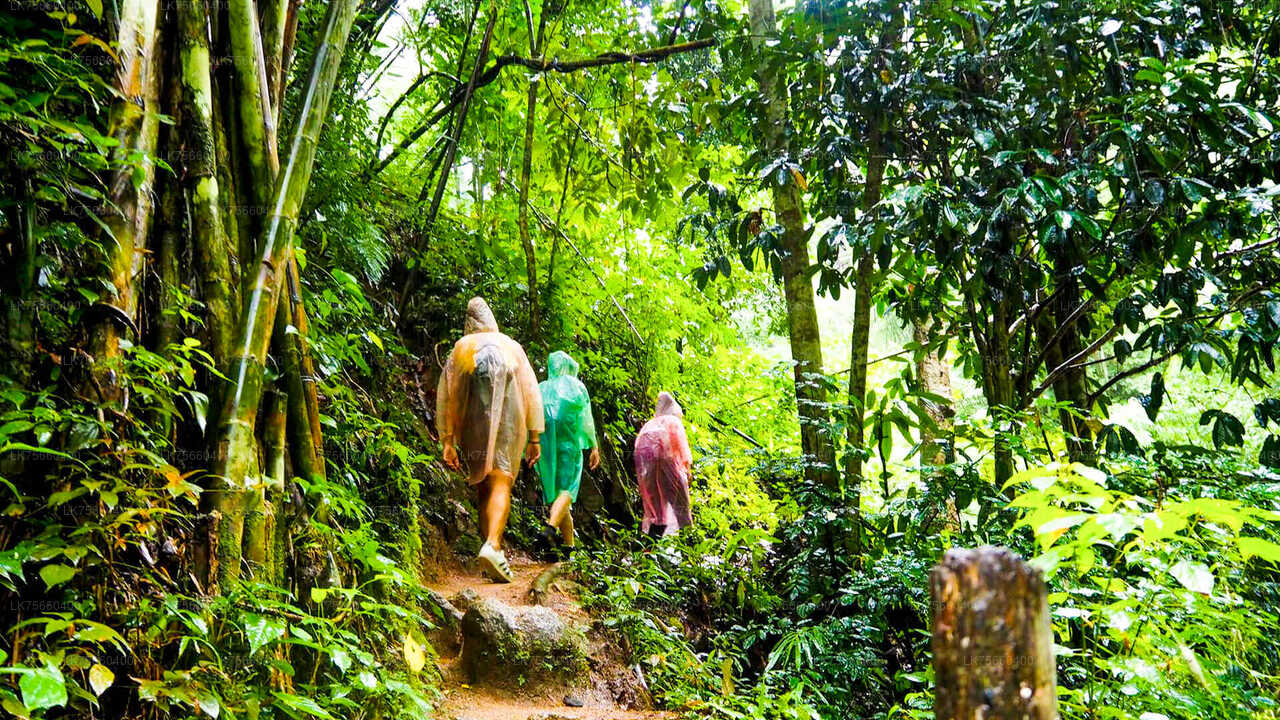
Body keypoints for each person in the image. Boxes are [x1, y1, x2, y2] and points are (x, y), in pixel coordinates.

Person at [436, 297, 543, 583]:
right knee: (501, 480)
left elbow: (448, 397)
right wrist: (534, 437)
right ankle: (493, 544)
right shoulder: (511, 346)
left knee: (483, 484)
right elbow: (531, 392)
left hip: (472, 428)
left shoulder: (461, 349)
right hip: (509, 425)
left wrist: (448, 440)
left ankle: (489, 550)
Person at [537, 351, 600, 553]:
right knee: (568, 490)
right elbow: (586, 419)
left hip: (545, 449)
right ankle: (550, 529)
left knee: (558, 497)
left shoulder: (541, 388)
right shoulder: (576, 386)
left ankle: (569, 547)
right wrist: (593, 446)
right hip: (568, 446)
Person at [634, 391, 693, 537]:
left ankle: (648, 551)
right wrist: (687, 468)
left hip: (648, 471)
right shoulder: (672, 422)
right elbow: (681, 448)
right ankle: (690, 548)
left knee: (656, 512)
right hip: (668, 466)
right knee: (681, 506)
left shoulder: (648, 426)